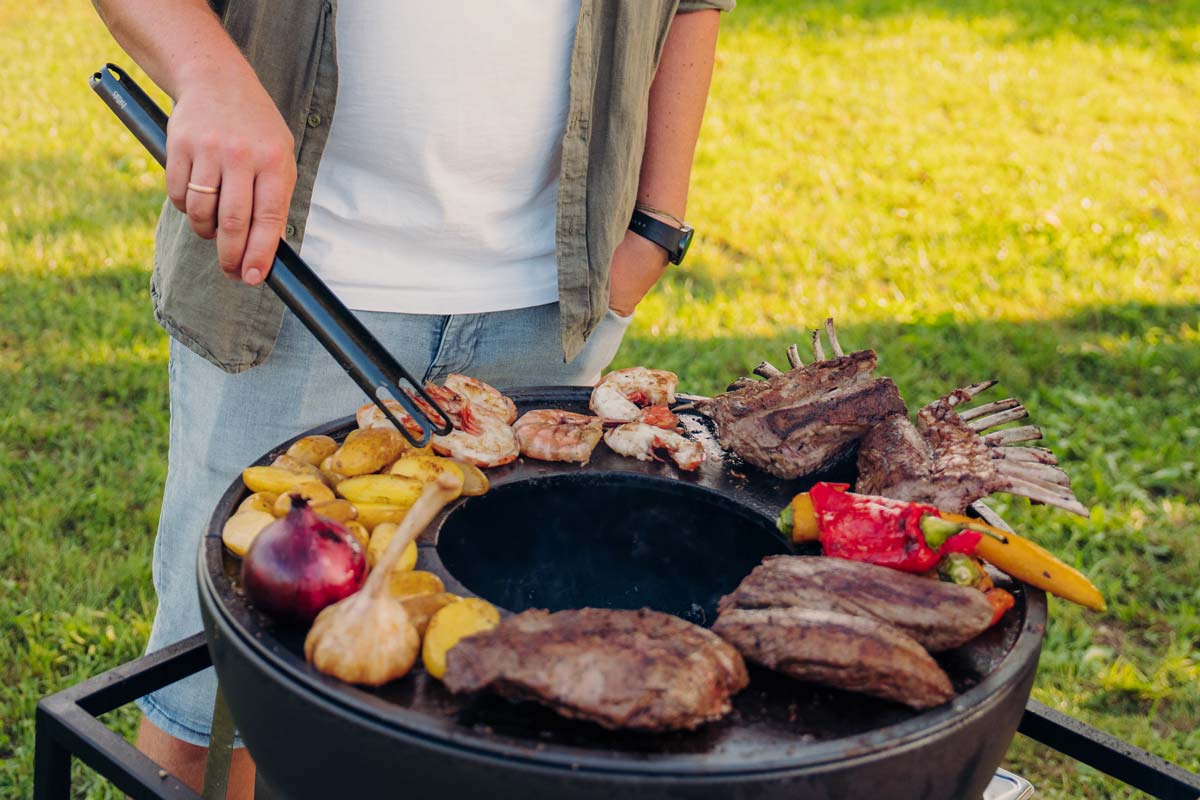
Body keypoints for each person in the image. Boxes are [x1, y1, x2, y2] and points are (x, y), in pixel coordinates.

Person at [92, 0, 730, 794]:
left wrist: (656, 227)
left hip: (547, 303)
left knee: (477, 704)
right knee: (211, 705)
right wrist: (209, 71)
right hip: (291, 283)